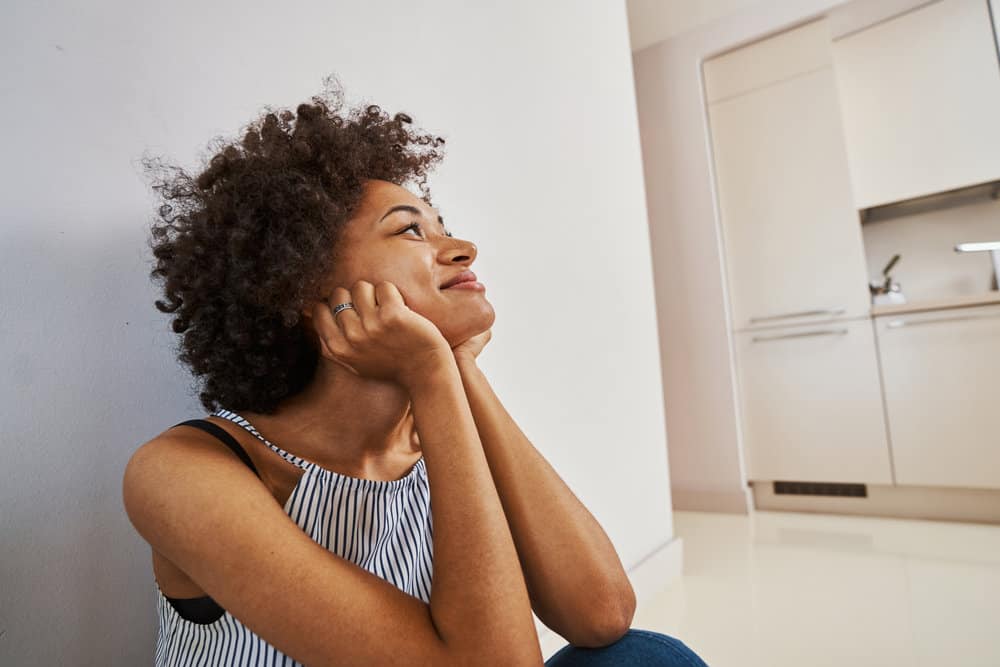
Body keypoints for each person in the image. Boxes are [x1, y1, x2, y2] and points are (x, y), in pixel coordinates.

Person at [123, 76, 708, 666]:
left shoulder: (436, 434)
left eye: (443, 225)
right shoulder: (183, 473)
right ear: (303, 284)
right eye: (410, 230)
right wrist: (430, 372)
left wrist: (454, 368)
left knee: (641, 657)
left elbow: (601, 613)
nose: (463, 248)